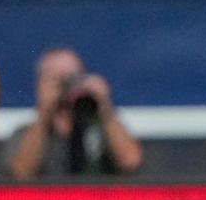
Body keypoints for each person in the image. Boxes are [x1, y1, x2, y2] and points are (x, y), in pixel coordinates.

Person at [7, 47, 143, 180]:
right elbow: (21, 172)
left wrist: (104, 107)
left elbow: (130, 162)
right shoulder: (26, 132)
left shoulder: (102, 127)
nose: (65, 85)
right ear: (39, 84)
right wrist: (44, 111)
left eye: (72, 77)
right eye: (55, 78)